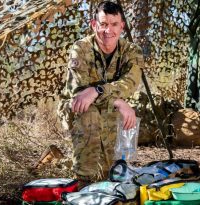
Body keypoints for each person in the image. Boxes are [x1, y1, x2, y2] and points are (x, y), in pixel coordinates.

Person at [58, 1, 143, 189]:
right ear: (94, 24)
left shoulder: (131, 51)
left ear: (122, 26)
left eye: (114, 24)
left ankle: (108, 174)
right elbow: (80, 94)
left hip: (108, 105)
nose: (108, 30)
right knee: (89, 112)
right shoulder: (81, 48)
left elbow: (130, 84)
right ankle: (84, 182)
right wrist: (117, 99)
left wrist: (100, 91)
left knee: (118, 113)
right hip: (76, 107)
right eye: (103, 24)